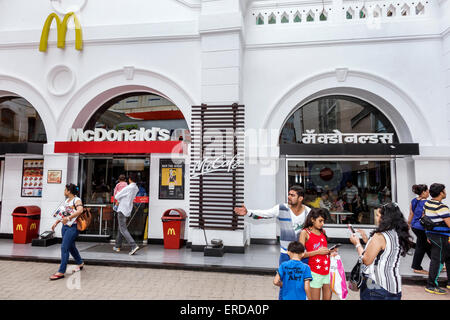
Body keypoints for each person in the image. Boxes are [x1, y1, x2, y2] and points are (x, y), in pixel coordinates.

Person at [234, 185, 311, 299]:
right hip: (286, 254)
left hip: (303, 254)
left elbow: (315, 228)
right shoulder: (281, 208)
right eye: (288, 194)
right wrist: (248, 212)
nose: (289, 197)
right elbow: (265, 214)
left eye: (292, 195)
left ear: (300, 198)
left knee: (302, 282)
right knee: (284, 282)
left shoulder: (308, 212)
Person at [350, 203, 412, 300]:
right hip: (394, 286)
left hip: (375, 286)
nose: (376, 218)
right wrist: (366, 239)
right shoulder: (398, 234)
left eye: (378, 215)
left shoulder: (380, 236)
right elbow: (383, 251)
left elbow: (366, 260)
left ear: (386, 218)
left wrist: (357, 244)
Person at [299, 208, 337, 300]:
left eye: (323, 221)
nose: (322, 223)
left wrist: (330, 252)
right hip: (314, 272)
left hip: (327, 271)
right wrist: (317, 252)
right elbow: (299, 254)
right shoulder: (305, 233)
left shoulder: (323, 232)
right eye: (320, 221)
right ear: (312, 219)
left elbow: (323, 250)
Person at [49, 183, 85, 280]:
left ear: (69, 191)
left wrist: (69, 217)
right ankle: (80, 263)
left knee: (64, 247)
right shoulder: (67, 201)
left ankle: (61, 271)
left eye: (65, 190)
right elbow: (63, 214)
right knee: (71, 246)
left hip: (73, 227)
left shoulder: (76, 200)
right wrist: (56, 222)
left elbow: (80, 210)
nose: (64, 191)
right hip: (65, 227)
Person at [423, 183, 450, 295]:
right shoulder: (441, 207)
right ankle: (431, 285)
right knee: (437, 261)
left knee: (448, 257)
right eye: (444, 190)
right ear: (441, 193)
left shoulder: (427, 203)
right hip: (440, 237)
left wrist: (427, 235)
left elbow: (424, 219)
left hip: (433, 236)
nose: (446, 192)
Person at [113, 173, 140, 255]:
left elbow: (117, 196)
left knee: (123, 229)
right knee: (121, 228)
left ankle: (133, 245)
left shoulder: (128, 188)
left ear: (130, 179)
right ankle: (117, 245)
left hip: (122, 209)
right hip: (128, 209)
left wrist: (121, 195)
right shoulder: (136, 188)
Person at [407, 184, 431, 275]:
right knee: (421, 246)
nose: (428, 192)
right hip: (422, 227)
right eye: (427, 190)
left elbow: (411, 214)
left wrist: (408, 224)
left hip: (414, 226)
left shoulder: (413, 201)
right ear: (424, 192)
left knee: (426, 245)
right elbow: (426, 217)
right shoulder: (427, 203)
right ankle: (416, 267)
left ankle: (439, 264)